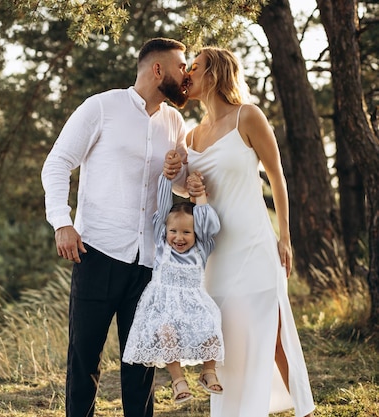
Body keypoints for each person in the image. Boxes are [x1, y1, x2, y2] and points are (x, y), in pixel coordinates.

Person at [41, 37, 190, 417]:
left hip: (149, 261)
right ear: (158, 69)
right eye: (181, 65)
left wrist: (178, 174)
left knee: (141, 364)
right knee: (84, 359)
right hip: (97, 253)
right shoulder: (102, 107)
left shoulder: (175, 121)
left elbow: (180, 184)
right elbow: (57, 162)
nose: (186, 74)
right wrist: (62, 221)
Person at [183, 46, 315, 416]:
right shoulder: (192, 137)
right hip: (216, 255)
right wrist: (178, 174)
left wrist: (285, 237)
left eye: (196, 66)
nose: (188, 73)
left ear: (214, 74)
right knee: (227, 340)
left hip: (255, 244)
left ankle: (305, 411)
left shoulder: (248, 116)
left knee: (272, 335)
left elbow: (277, 177)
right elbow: (187, 187)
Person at [122, 171, 224, 405]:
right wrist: (167, 177)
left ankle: (208, 371)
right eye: (174, 231)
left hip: (194, 304)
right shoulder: (161, 242)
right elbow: (163, 203)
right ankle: (178, 381)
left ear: (196, 233)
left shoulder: (202, 246)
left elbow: (210, 223)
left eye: (187, 232)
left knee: (211, 329)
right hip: (164, 305)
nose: (179, 237)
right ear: (165, 230)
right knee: (168, 335)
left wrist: (199, 194)